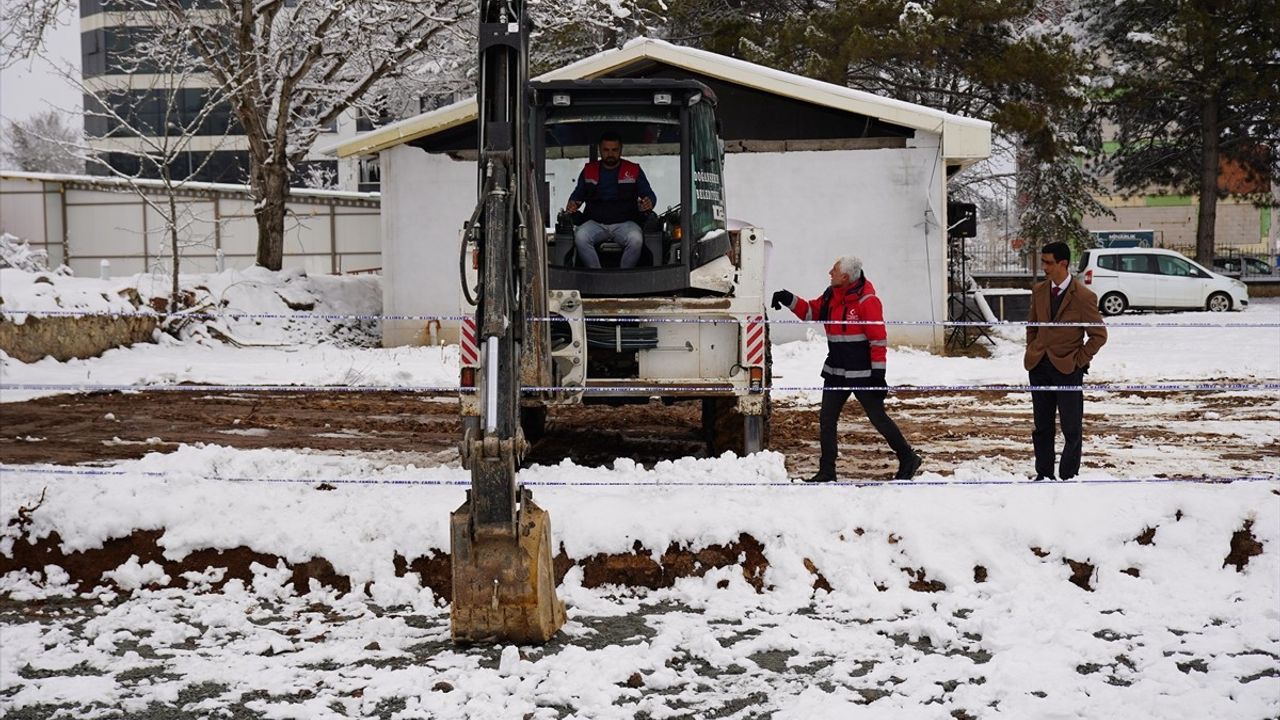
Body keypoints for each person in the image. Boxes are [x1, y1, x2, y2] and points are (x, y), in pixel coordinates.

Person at [772, 256, 922, 482]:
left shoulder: (867, 301)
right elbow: (811, 311)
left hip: (862, 375)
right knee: (827, 420)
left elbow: (878, 341)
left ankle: (908, 457)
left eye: (833, 270)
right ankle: (827, 471)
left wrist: (878, 376)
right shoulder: (831, 295)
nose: (829, 272)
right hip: (836, 371)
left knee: (878, 418)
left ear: (845, 276)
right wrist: (788, 299)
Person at [1025, 241, 1108, 481]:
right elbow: (1032, 326)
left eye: (1049, 262)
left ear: (1063, 264)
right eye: (1043, 262)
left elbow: (1099, 335)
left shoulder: (1083, 296)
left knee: (1071, 427)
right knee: (1042, 427)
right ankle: (1044, 474)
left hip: (1067, 369)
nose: (1044, 267)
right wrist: (1032, 349)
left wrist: (1078, 361)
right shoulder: (1039, 290)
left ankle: (1068, 475)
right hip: (1039, 366)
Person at [565, 132, 657, 269]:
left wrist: (649, 201)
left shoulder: (633, 170)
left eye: (614, 150)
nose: (610, 154)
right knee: (580, 237)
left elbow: (649, 195)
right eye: (606, 150)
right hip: (595, 222)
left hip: (626, 223)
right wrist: (572, 204)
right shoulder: (589, 170)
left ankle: (624, 277)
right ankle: (596, 275)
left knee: (636, 240)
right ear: (600, 150)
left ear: (621, 150)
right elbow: (577, 195)